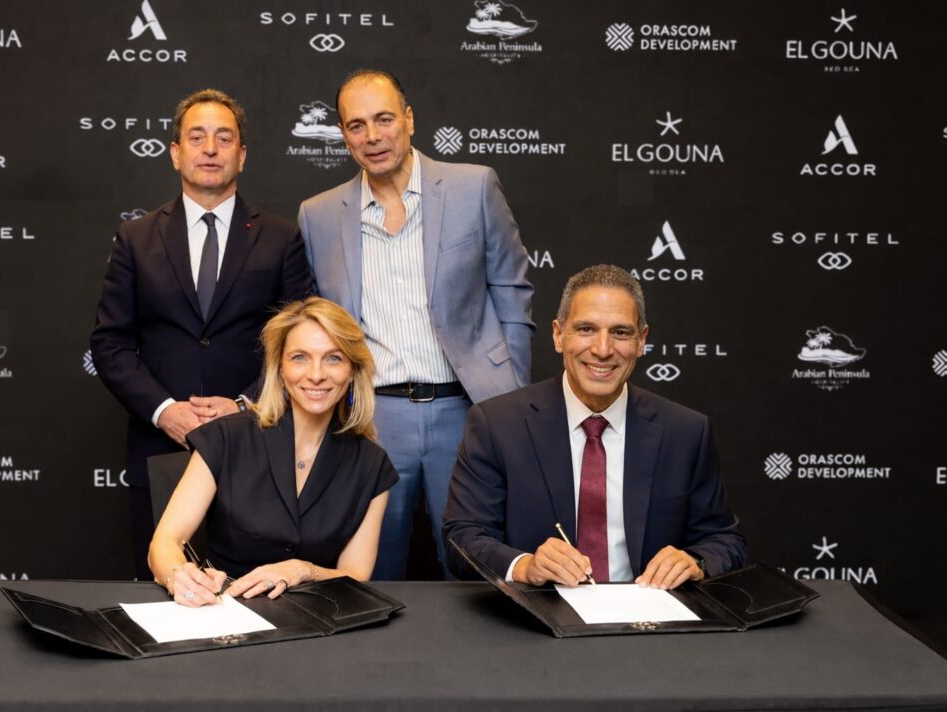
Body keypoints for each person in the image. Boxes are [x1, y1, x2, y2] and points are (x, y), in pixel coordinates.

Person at [298, 69, 534, 579]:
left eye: (384, 119)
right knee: (371, 568)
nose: (372, 136)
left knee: (475, 565)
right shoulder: (318, 215)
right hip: (374, 418)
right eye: (356, 125)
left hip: (467, 410)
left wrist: (510, 393)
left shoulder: (474, 186)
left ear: (409, 120)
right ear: (343, 135)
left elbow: (512, 291)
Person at [91, 89, 312, 579]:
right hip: (161, 447)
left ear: (242, 155)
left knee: (258, 592)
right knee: (167, 586)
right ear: (175, 152)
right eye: (197, 137)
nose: (210, 149)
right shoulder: (136, 238)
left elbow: (300, 344)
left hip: (257, 445)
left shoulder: (280, 237)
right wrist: (165, 411)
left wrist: (246, 405)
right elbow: (110, 344)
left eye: (224, 138)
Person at [443, 265, 745, 589]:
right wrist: (525, 566)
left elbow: (724, 540)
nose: (602, 349)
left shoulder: (685, 432)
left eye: (621, 332)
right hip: (539, 612)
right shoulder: (497, 425)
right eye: (586, 329)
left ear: (642, 341)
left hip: (649, 614)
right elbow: (463, 537)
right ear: (559, 335)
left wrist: (695, 562)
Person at [149, 297, 398, 605]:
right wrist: (178, 575)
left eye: (333, 358)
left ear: (352, 370)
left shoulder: (372, 465)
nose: (316, 374)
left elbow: (356, 576)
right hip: (224, 610)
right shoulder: (226, 437)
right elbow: (165, 542)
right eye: (300, 357)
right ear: (280, 368)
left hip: (316, 618)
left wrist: (303, 570)